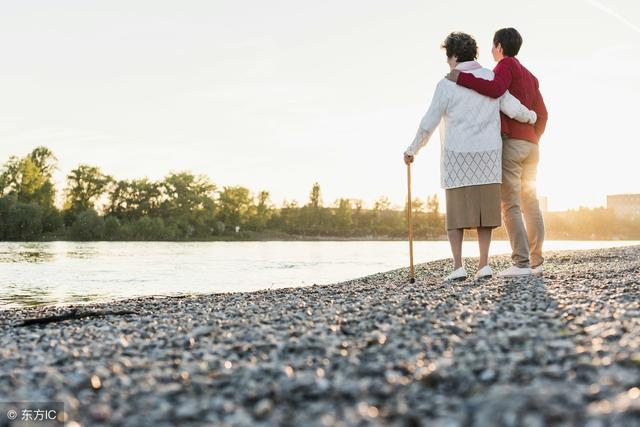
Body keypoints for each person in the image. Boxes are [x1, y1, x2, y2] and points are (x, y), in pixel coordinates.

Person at [404, 32, 537, 281]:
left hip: (458, 158)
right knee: (483, 216)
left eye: (448, 57)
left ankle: (458, 267)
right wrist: (531, 116)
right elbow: (511, 106)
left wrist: (412, 149)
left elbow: (429, 122)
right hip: (488, 158)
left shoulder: (447, 83)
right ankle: (484, 265)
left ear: (453, 55)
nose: (448, 62)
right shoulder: (489, 76)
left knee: (456, 217)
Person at [446, 27, 548, 277]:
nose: (491, 51)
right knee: (530, 204)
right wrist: (533, 136)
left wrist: (460, 77)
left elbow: (495, 90)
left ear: (500, 46)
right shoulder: (531, 76)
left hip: (512, 142)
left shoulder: (505, 66)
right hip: (532, 145)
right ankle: (537, 261)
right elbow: (543, 114)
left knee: (510, 204)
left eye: (493, 46)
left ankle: (521, 263)